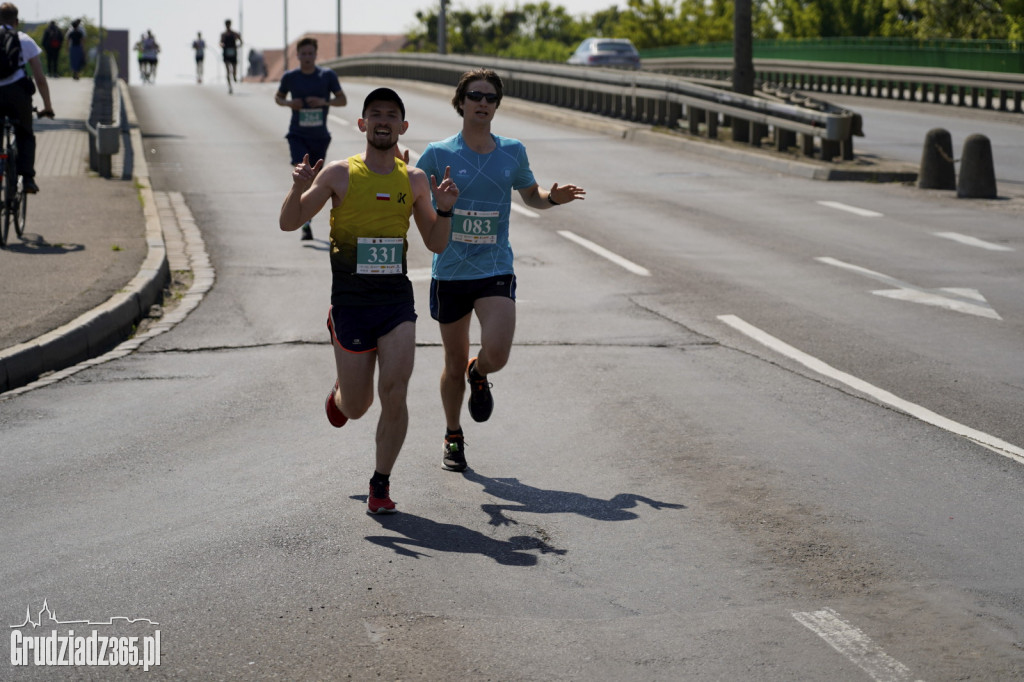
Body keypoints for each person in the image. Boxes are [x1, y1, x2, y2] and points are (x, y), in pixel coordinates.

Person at [278, 88, 459, 514]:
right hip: (351, 303)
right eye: (374, 114)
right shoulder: (339, 174)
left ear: (403, 127)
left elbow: (435, 243)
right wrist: (298, 189)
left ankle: (380, 484)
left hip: (396, 303)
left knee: (395, 391)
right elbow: (289, 223)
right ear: (361, 124)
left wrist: (446, 210)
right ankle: (342, 393)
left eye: (391, 115)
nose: (383, 120)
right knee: (358, 408)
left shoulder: (414, 181)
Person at [415, 68, 585, 473]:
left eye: (491, 97)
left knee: (498, 353)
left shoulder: (512, 151)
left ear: (497, 104)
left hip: (495, 267)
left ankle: (482, 371)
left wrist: (552, 198)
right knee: (452, 363)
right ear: (461, 102)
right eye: (475, 96)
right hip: (451, 271)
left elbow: (532, 196)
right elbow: (414, 191)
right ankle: (453, 435)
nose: (483, 103)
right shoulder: (438, 154)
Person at [274, 37, 346, 241]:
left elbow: (342, 100)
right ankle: (303, 222)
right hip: (297, 134)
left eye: (310, 53)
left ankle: (307, 219)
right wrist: (290, 103)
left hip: (319, 137)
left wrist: (324, 101)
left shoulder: (327, 76)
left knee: (313, 178)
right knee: (303, 173)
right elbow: (278, 98)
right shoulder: (290, 77)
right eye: (303, 54)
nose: (306, 57)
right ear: (297, 55)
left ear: (315, 54)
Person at [0, 2, 54, 195]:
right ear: (16, 21)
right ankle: (28, 179)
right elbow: (39, 78)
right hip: (17, 94)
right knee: (24, 133)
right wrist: (47, 106)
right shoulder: (25, 40)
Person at [219, 19, 241, 94]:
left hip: (233, 53)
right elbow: (220, 43)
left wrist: (238, 46)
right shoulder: (223, 34)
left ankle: (234, 76)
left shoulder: (234, 33)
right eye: (227, 24)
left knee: (234, 69)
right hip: (226, 53)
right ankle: (230, 87)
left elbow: (241, 41)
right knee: (227, 71)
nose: (228, 26)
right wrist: (222, 45)